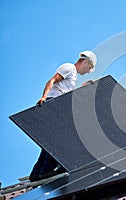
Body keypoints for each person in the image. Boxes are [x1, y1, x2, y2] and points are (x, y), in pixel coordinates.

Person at [29, 50, 97, 182]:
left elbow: (66, 93)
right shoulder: (69, 68)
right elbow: (52, 81)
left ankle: (38, 172)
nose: (88, 71)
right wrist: (44, 97)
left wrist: (83, 87)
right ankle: (51, 168)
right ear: (86, 61)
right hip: (54, 105)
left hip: (58, 105)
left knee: (51, 141)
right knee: (62, 138)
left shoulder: (73, 75)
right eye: (90, 68)